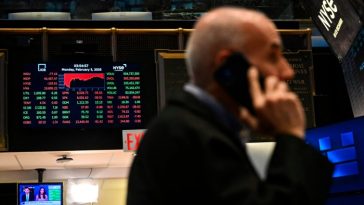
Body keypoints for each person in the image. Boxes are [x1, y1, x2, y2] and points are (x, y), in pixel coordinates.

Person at [127, 6, 334, 205]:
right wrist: (291, 136)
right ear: (228, 65)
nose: (288, 71)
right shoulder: (182, 134)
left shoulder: (194, 128)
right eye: (272, 56)